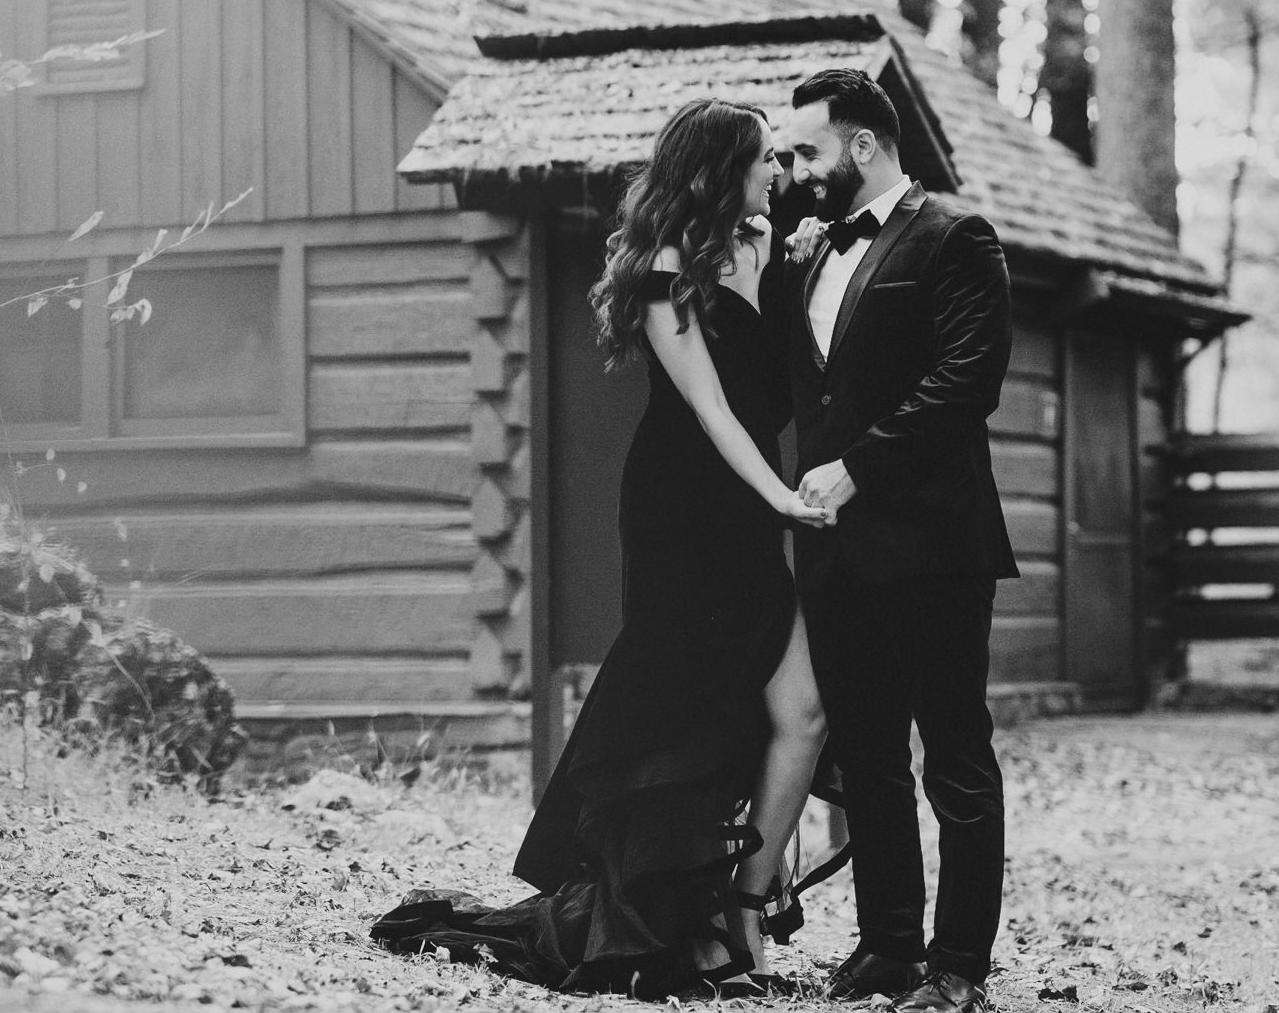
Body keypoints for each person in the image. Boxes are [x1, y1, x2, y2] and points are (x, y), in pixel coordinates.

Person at [371, 98, 839, 999]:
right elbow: (710, 408)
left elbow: (789, 386)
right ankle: (694, 935)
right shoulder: (670, 267)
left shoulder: (771, 254)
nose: (778, 170)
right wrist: (781, 495)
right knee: (690, 699)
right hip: (686, 501)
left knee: (771, 704)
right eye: (764, 157)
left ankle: (731, 910)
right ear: (722, 166)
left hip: (751, 499)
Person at [780, 68, 1017, 1013]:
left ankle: (958, 964)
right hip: (834, 548)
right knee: (869, 755)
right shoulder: (807, 251)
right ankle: (887, 948)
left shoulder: (956, 238)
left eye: (807, 151)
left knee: (955, 754)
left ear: (863, 145)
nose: (795, 170)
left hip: (934, 544)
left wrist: (859, 469)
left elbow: (968, 381)